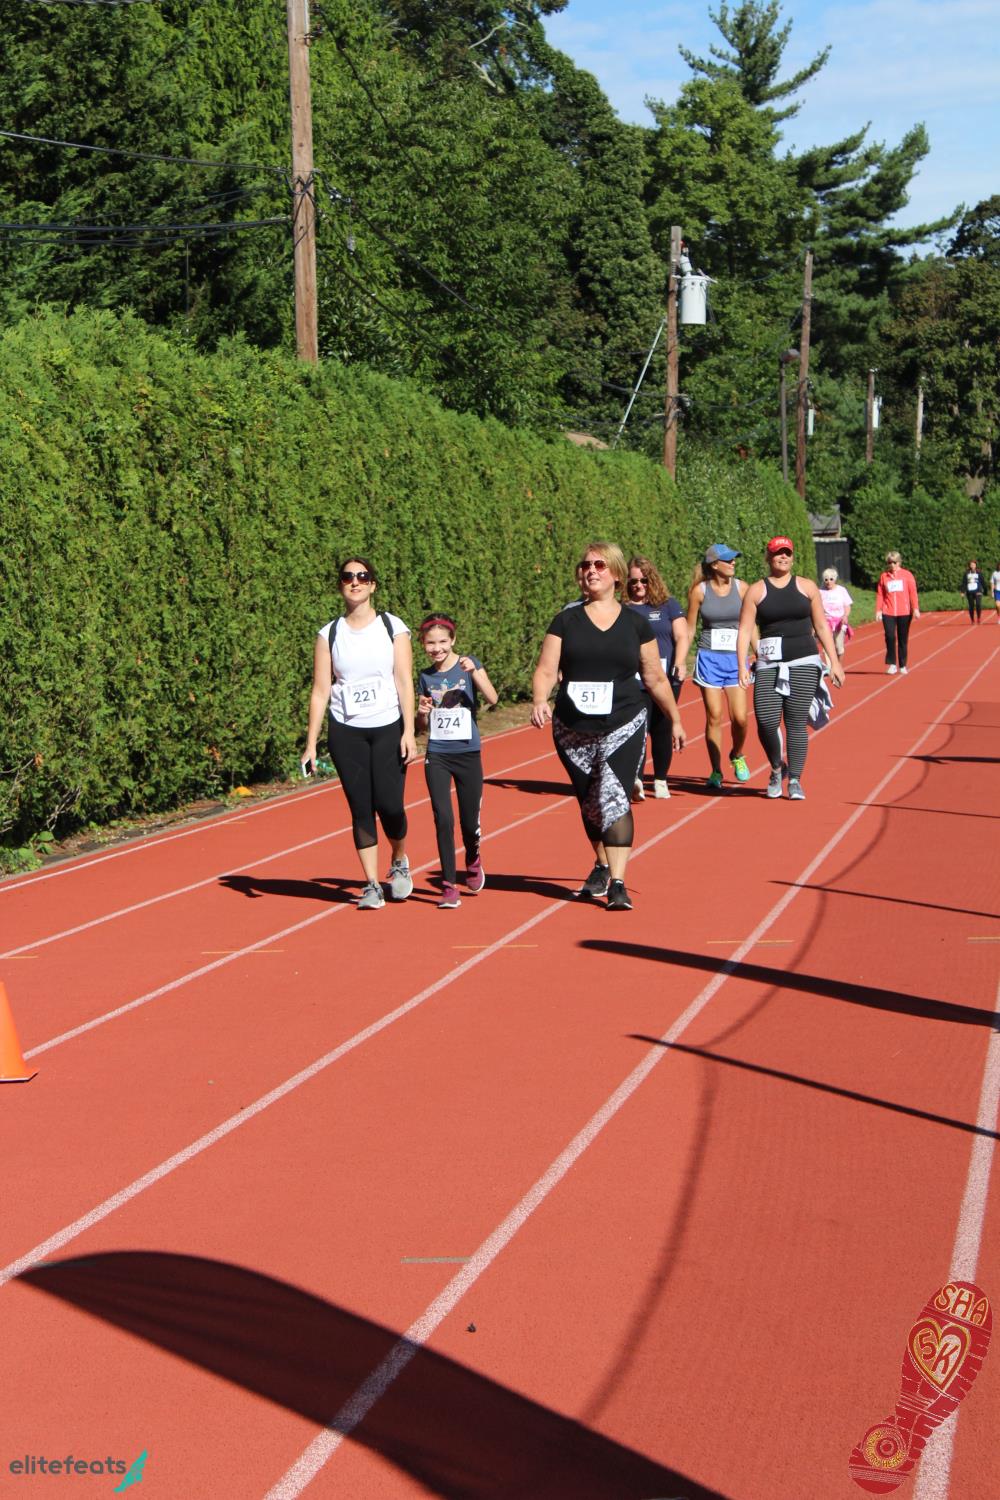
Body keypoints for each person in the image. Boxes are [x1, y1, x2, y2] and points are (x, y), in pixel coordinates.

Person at [531, 542, 685, 911]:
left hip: (624, 720)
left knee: (614, 794)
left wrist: (675, 719)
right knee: (590, 802)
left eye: (599, 565)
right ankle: (601, 864)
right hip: (573, 726)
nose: (591, 570)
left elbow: (654, 677)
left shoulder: (635, 624)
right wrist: (539, 699)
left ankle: (618, 882)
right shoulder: (565, 621)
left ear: (616, 574)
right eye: (585, 565)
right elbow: (546, 670)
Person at [303, 557, 417, 909]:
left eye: (362, 576)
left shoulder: (392, 627)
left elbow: (404, 681)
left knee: (390, 805)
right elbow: (320, 691)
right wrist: (310, 744)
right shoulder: (329, 634)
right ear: (340, 585)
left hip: (387, 726)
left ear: (373, 585)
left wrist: (409, 731)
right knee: (361, 808)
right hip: (346, 731)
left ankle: (399, 859)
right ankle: (371, 884)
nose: (355, 582)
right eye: (348, 577)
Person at [737, 536, 844, 801]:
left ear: (793, 557)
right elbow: (745, 630)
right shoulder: (756, 591)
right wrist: (742, 665)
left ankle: (795, 779)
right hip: (768, 664)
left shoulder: (807, 587)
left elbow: (821, 626)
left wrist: (834, 662)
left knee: (796, 723)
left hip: (804, 661)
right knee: (766, 720)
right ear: (768, 557)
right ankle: (777, 767)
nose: (783, 557)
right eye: (777, 553)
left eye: (787, 553)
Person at [416, 614, 498, 909]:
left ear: (453, 640)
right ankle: (449, 885)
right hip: (438, 754)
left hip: (467, 753)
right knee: (443, 818)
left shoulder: (468, 664)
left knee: (468, 821)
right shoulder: (425, 676)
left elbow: (493, 698)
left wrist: (475, 673)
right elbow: (422, 727)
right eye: (430, 643)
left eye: (442, 642)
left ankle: (473, 858)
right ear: (423, 644)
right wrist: (422, 712)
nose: (436, 648)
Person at [685, 543, 751, 791]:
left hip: (736, 659)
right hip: (709, 659)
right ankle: (716, 770)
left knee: (740, 718)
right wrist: (681, 659)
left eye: (734, 559)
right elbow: (690, 628)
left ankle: (737, 754)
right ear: (714, 565)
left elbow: (750, 626)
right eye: (728, 560)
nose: (733, 563)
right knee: (714, 715)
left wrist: (759, 653)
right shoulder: (699, 591)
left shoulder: (742, 588)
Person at [624, 555, 689, 799]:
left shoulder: (668, 605)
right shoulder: (623, 608)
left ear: (652, 580)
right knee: (638, 729)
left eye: (643, 581)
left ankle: (661, 779)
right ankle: (637, 780)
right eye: (633, 581)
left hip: (666, 678)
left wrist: (680, 661)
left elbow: (682, 636)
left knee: (662, 728)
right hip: (636, 680)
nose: (638, 586)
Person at [875, 551, 920, 674]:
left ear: (899, 562)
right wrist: (878, 610)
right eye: (890, 562)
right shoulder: (884, 576)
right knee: (890, 636)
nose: (892, 565)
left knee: (902, 638)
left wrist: (915, 608)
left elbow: (913, 592)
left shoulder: (907, 575)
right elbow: (880, 594)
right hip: (888, 611)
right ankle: (892, 664)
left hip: (904, 611)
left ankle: (902, 664)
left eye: (894, 562)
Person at [820, 567, 853, 659]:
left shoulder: (841, 590)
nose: (828, 582)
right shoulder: (820, 592)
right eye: (826, 579)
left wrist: (845, 616)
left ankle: (838, 665)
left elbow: (847, 606)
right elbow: (817, 607)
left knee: (839, 648)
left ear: (835, 579)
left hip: (839, 622)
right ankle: (830, 666)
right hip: (826, 622)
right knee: (827, 648)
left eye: (831, 579)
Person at [961, 559, 986, 624]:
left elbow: (983, 582)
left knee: (978, 604)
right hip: (969, 591)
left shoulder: (979, 573)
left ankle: (978, 617)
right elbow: (964, 583)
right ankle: (972, 619)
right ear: (969, 566)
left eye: (974, 565)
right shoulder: (966, 573)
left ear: (976, 565)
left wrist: (985, 590)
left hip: (978, 590)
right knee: (971, 606)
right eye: (971, 565)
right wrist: (962, 592)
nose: (972, 566)